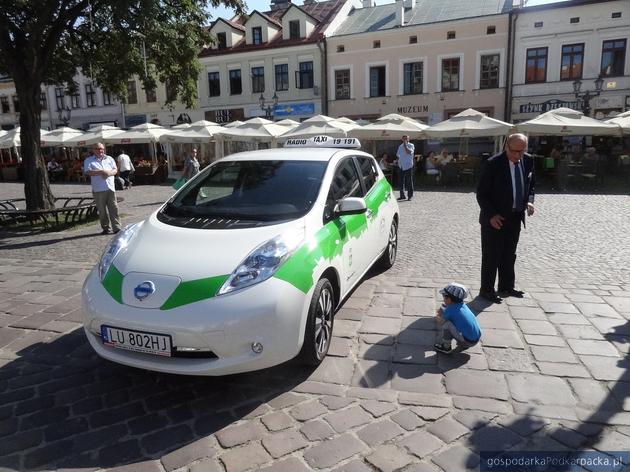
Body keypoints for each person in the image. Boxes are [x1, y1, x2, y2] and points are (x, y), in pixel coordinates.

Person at [476, 133, 535, 303]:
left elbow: (531, 185)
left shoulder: (528, 160)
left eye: (522, 151)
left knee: (509, 254)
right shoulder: (493, 164)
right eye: (515, 151)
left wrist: (529, 202)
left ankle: (506, 286)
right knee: (491, 255)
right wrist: (491, 215)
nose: (518, 156)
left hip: (515, 216)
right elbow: (482, 194)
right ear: (506, 147)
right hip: (495, 218)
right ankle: (486, 290)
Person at [84, 142, 121, 235]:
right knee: (102, 210)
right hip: (98, 189)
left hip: (110, 187)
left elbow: (115, 170)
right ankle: (106, 228)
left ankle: (117, 227)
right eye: (97, 149)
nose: (100, 151)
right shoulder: (89, 160)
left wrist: (109, 173)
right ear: (93, 150)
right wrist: (102, 172)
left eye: (102, 149)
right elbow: (88, 172)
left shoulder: (109, 158)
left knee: (114, 209)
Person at [434, 283, 481, 354]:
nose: (443, 299)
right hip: (475, 339)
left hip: (468, 342)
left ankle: (446, 347)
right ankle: (463, 341)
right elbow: (454, 312)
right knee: (455, 321)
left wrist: (438, 315)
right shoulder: (463, 305)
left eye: (444, 297)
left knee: (446, 324)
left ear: (449, 299)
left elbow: (441, 322)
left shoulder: (449, 310)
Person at [396, 135, 415, 201]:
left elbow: (409, 152)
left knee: (409, 181)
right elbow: (398, 155)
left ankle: (410, 196)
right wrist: (399, 161)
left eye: (406, 138)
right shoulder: (400, 146)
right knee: (401, 182)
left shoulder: (411, 145)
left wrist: (405, 145)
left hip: (408, 165)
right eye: (403, 139)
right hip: (401, 166)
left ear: (408, 139)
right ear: (401, 139)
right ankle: (402, 195)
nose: (405, 140)